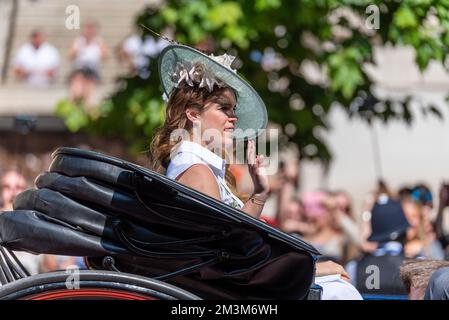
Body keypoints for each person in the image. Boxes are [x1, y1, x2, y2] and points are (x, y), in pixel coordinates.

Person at [150, 43, 362, 299]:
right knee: (340, 292)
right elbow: (225, 258)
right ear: (193, 114)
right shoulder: (196, 170)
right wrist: (312, 270)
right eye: (223, 108)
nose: (233, 118)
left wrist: (259, 194)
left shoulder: (196, 165)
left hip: (230, 284)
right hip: (226, 291)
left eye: (233, 109)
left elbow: (230, 242)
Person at [0, 170, 41, 275]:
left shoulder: (37, 222)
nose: (13, 192)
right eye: (7, 187)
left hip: (30, 285)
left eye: (18, 187)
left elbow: (49, 265)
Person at [69, 21, 108, 106]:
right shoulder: (78, 42)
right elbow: (70, 55)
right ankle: (76, 102)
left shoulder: (99, 42)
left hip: (93, 70)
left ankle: (87, 104)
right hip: (80, 69)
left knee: (89, 82)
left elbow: (105, 56)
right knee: (77, 81)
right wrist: (80, 48)